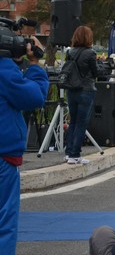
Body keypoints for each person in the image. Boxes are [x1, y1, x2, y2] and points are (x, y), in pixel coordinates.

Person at [0, 31, 48, 255]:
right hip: (2, 156)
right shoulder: (4, 70)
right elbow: (34, 97)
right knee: (4, 222)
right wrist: (35, 63)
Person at [65, 26, 103, 165]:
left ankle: (69, 152)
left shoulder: (70, 52)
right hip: (86, 89)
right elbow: (96, 72)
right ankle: (75, 154)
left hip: (72, 89)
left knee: (73, 122)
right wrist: (100, 63)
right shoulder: (90, 53)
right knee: (82, 123)